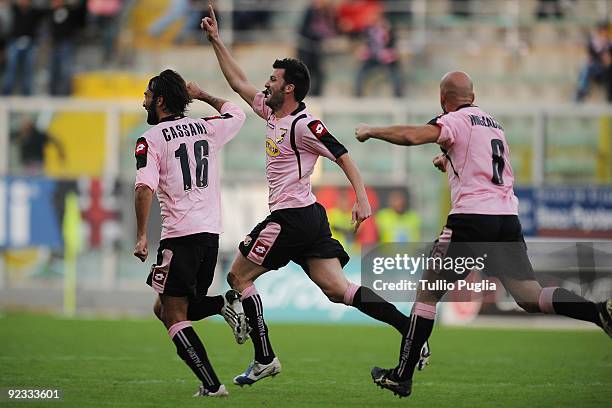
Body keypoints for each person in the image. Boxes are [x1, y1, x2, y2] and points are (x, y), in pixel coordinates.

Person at [355, 71, 612, 398]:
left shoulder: (454, 119)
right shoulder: (493, 124)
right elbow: (483, 164)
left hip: (472, 219)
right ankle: (597, 312)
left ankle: (402, 376)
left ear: (442, 100)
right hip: (506, 219)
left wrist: (371, 131)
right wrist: (446, 160)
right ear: (473, 97)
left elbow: (412, 135)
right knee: (530, 296)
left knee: (428, 292)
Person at [200, 4, 414, 387]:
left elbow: (343, 154)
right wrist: (217, 40)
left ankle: (265, 357)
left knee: (237, 275)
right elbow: (237, 82)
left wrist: (362, 198)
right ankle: (410, 329)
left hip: (291, 218)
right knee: (339, 290)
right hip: (307, 218)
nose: (266, 83)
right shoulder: (270, 111)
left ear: (290, 87)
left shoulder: (303, 125)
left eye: (273, 78)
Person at [132, 69, 249, 397]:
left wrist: (142, 234)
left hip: (180, 235)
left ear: (161, 100)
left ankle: (212, 385)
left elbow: (144, 187)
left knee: (173, 313)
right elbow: (237, 112)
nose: (143, 101)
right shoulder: (207, 127)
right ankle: (222, 304)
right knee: (165, 308)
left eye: (147, 95)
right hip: (210, 235)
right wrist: (204, 96)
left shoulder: (150, 139)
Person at [1, 0, 44, 95]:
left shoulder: (34, 11)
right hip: (14, 42)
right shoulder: (13, 9)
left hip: (30, 43)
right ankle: (6, 93)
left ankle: (27, 94)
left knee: (28, 70)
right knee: (11, 68)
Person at [354, 12, 402, 98]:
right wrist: (364, 51)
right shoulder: (369, 30)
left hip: (387, 59)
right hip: (372, 58)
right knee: (361, 73)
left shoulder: (390, 31)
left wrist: (386, 32)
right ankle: (358, 93)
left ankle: (398, 93)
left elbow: (393, 46)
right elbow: (365, 43)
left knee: (395, 73)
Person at [297, 0, 336, 96]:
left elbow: (330, 28)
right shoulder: (311, 11)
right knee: (305, 73)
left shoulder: (325, 12)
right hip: (306, 48)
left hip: (316, 49)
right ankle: (304, 95)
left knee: (319, 74)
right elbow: (306, 30)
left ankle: (316, 95)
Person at [575, 20, 612, 103]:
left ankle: (581, 92)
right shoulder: (593, 41)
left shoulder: (609, 43)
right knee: (585, 68)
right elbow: (590, 57)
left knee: (587, 70)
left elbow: (608, 62)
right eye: (602, 31)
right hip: (595, 68)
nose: (604, 33)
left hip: (606, 71)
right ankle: (581, 92)